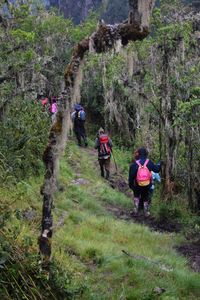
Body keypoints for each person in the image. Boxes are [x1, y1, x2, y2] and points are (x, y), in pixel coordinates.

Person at [129, 147, 161, 217]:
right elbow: (156, 170)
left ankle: (135, 210)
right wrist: (159, 164)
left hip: (137, 184)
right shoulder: (149, 162)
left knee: (136, 195)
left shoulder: (134, 164)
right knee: (145, 196)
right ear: (146, 154)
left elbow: (131, 177)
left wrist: (131, 186)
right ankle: (146, 212)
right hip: (147, 184)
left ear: (139, 154)